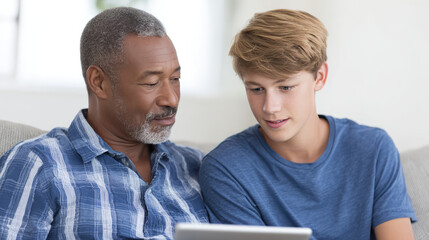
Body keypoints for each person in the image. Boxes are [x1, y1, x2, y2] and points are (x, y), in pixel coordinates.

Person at [199, 9, 416, 240]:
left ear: (319, 77)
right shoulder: (225, 169)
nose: (270, 107)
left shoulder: (373, 149)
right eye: (256, 89)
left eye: (285, 87)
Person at [0, 7, 208, 239]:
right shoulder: (39, 164)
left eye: (175, 79)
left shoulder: (198, 167)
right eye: (151, 83)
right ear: (98, 82)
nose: (171, 98)